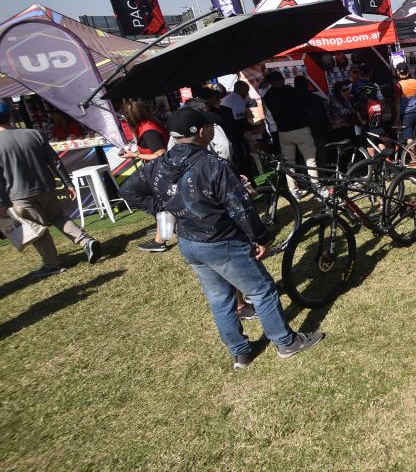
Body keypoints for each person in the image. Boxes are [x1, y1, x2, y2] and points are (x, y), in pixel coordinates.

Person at [120, 107, 322, 369]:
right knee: (262, 290)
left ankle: (240, 352)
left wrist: (166, 208)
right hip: (221, 241)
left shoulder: (160, 165)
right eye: (210, 127)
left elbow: (128, 189)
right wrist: (262, 237)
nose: (213, 130)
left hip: (190, 243)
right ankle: (286, 343)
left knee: (219, 297)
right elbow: (240, 209)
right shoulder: (212, 165)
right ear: (202, 132)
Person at [0, 102, 101, 277]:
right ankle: (86, 241)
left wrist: (2, 202)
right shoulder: (33, 134)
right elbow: (55, 161)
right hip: (46, 187)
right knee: (58, 217)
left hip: (19, 195)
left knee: (38, 229)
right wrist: (68, 184)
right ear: (10, 115)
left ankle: (51, 264)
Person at [120, 99, 171, 253]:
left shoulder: (148, 130)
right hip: (155, 170)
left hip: (159, 170)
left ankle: (164, 222)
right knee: (155, 198)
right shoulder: (147, 126)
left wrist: (136, 155)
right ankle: (162, 226)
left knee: (127, 191)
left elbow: (161, 155)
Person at [260, 71, 317, 196]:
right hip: (301, 129)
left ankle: (294, 192)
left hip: (283, 133)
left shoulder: (268, 96)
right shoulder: (294, 92)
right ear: (283, 80)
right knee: (310, 161)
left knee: (289, 164)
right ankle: (316, 188)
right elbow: (306, 107)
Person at [393, 63, 416, 143]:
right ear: (408, 71)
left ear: (398, 72)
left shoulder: (398, 85)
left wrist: (398, 116)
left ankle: (413, 156)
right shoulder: (415, 81)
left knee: (409, 138)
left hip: (406, 114)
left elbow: (397, 102)